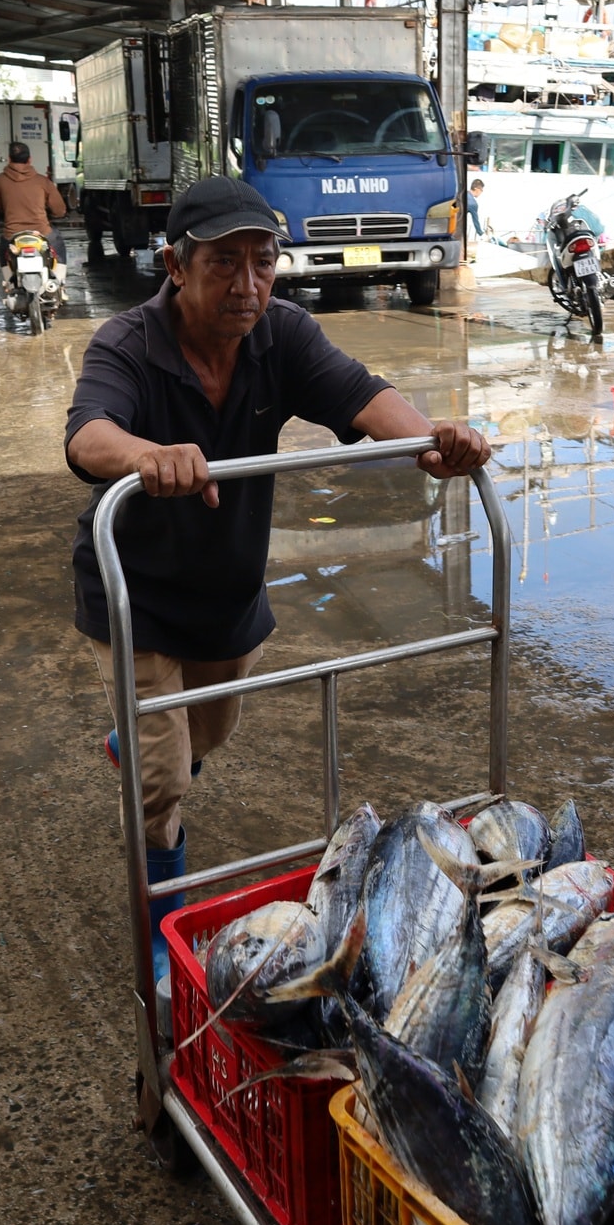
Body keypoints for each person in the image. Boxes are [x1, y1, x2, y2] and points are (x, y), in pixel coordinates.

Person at [63, 176, 490, 978]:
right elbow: (88, 434)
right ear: (175, 265)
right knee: (163, 784)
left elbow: (362, 393)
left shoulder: (282, 334)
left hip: (227, 587)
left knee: (208, 735)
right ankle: (165, 931)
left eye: (263, 262)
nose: (248, 284)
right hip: (139, 594)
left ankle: (136, 739)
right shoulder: (128, 341)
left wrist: (428, 442)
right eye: (225, 263)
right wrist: (146, 455)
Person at [0, 141, 67, 288]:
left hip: (12, 235)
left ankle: (9, 285)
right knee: (59, 247)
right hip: (41, 232)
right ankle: (60, 284)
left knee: (3, 254)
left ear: (9, 159)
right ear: (29, 159)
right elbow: (60, 210)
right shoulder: (43, 181)